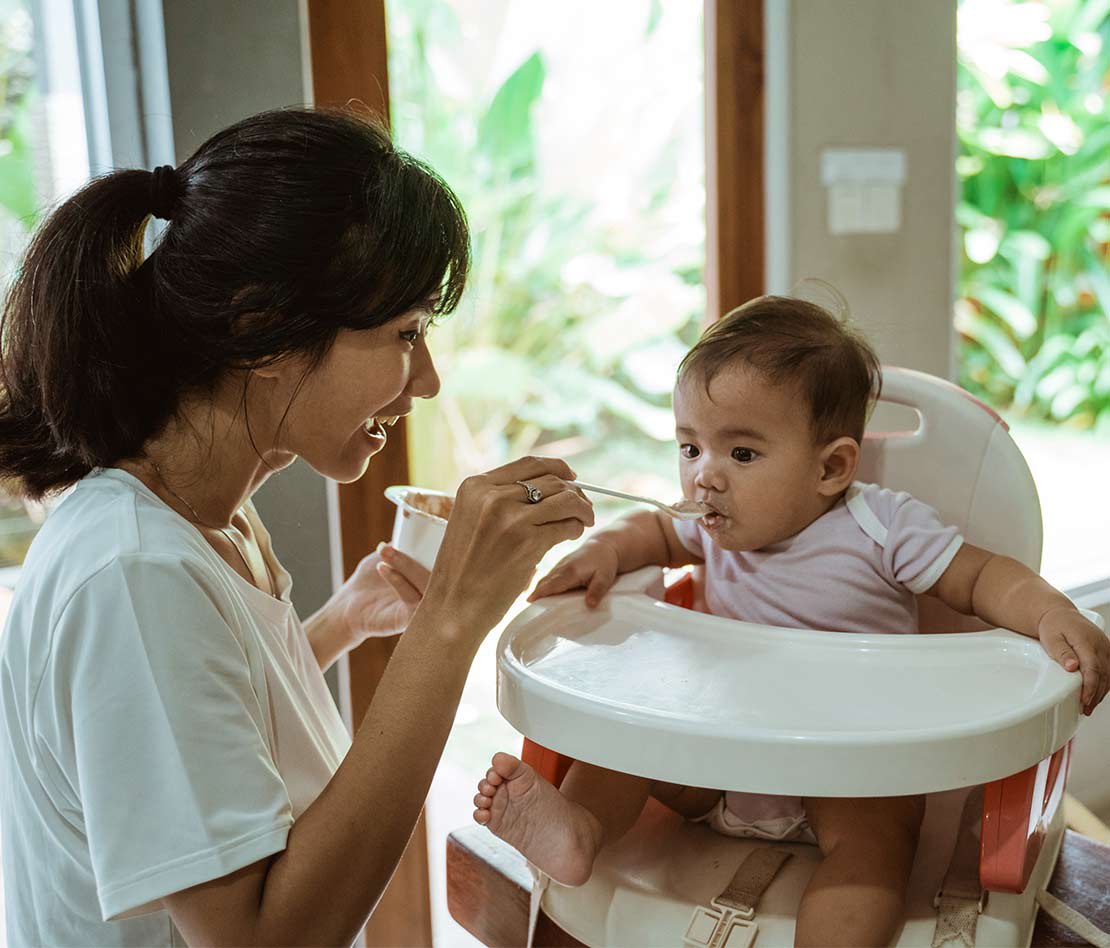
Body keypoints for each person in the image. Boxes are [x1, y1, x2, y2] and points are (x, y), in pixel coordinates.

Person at [0, 107, 594, 947]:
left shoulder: (210, 520)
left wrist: (334, 627)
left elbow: (198, 736)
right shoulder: (134, 575)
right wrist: (452, 622)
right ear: (259, 330)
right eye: (406, 334)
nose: (423, 381)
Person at [472, 296, 1110, 948]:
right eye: (689, 447)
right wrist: (601, 553)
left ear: (832, 467)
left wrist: (1050, 612)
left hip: (854, 775)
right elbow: (652, 528)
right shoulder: (713, 530)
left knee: (874, 854)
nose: (703, 479)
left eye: (741, 454)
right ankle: (578, 830)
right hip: (716, 764)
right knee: (620, 750)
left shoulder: (880, 527)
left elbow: (981, 578)